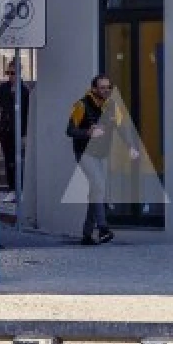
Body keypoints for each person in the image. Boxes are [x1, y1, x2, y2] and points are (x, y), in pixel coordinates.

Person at [66, 73, 129, 245]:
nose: (106, 90)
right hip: (84, 152)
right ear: (94, 89)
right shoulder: (81, 105)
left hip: (102, 153)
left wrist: (131, 146)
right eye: (102, 87)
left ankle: (87, 234)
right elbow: (70, 130)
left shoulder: (112, 105)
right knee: (99, 185)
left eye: (109, 87)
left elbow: (121, 128)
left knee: (96, 191)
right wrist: (87, 132)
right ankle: (102, 228)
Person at [0, 61, 30, 196]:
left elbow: (27, 113)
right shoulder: (3, 88)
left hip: (19, 131)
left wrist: (25, 133)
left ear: (19, 74)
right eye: (8, 73)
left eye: (13, 73)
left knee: (17, 160)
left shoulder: (24, 91)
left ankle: (18, 189)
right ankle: (12, 189)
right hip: (5, 131)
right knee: (8, 160)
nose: (10, 76)